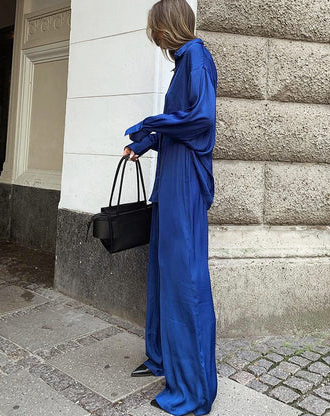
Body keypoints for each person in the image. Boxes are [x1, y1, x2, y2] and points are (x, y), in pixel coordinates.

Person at [123, 0, 218, 415]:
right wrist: (142, 144)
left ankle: (194, 390)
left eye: (157, 28)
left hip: (184, 186)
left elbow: (201, 119)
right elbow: (178, 125)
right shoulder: (184, 62)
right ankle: (162, 357)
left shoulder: (197, 56)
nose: (155, 36)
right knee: (164, 276)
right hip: (170, 183)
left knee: (185, 281)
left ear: (168, 26)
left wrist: (152, 122)